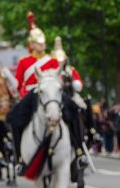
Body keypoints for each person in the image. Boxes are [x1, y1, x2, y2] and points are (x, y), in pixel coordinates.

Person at [6, 12, 59, 175]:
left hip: (49, 93)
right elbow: (17, 85)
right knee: (14, 119)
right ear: (32, 44)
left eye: (42, 43)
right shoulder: (24, 62)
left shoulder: (52, 60)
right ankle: (20, 159)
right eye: (38, 43)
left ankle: (78, 152)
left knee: (72, 111)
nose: (41, 45)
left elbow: (58, 79)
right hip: (31, 95)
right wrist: (7, 76)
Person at [52, 36, 88, 169]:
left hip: (70, 99)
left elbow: (79, 85)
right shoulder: (50, 72)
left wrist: (74, 82)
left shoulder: (70, 70)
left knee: (80, 111)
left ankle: (81, 148)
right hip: (55, 101)